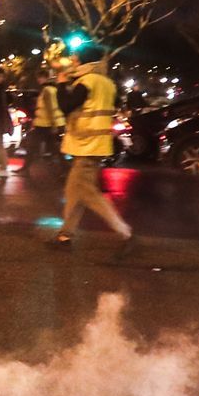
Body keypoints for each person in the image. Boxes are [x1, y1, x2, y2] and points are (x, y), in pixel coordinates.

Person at [52, 45, 135, 256]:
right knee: (73, 192)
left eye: (76, 60)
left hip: (86, 146)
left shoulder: (87, 82)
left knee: (88, 194)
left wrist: (61, 84)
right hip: (95, 145)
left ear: (86, 62)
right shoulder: (107, 83)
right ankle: (65, 235)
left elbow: (66, 106)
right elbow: (114, 105)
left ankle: (125, 233)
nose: (73, 63)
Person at [26, 67, 64, 176]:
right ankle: (64, 167)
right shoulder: (53, 89)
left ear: (44, 78)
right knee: (53, 148)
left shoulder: (47, 90)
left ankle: (26, 167)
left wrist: (53, 125)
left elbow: (50, 108)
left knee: (33, 145)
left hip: (45, 124)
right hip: (45, 124)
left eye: (40, 78)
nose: (38, 80)